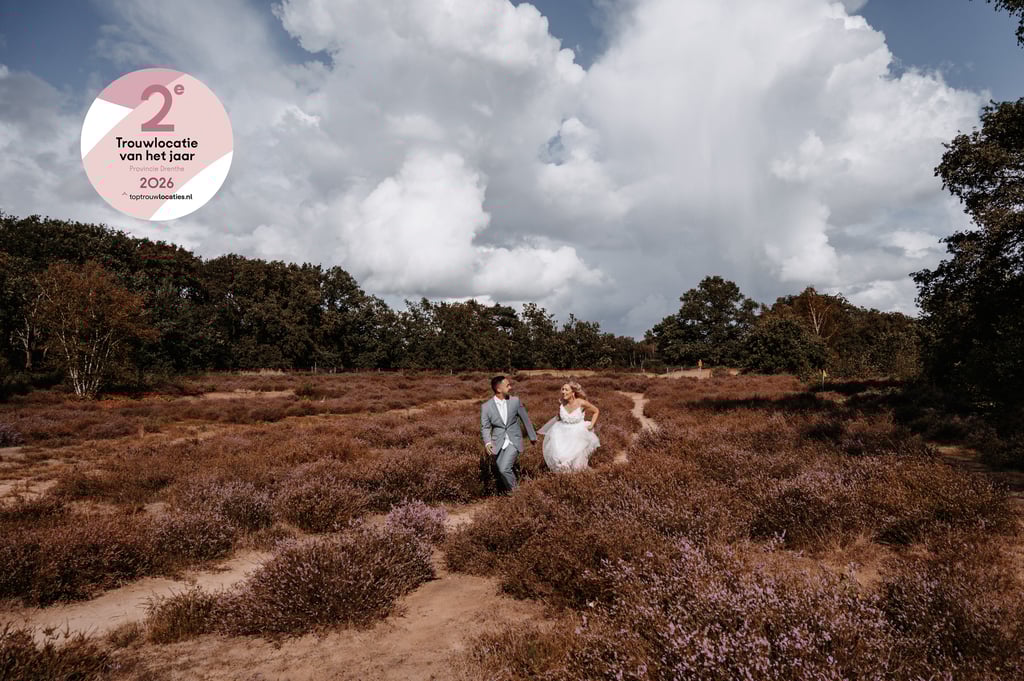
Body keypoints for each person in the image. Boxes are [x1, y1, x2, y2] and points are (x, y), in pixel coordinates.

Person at [480, 375, 537, 493]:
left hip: (513, 440)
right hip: (498, 443)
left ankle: (517, 494)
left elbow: (525, 419)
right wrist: (488, 443)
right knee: (502, 469)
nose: (510, 387)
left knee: (504, 468)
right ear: (498, 389)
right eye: (507, 385)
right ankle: (510, 493)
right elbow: (485, 427)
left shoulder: (515, 401)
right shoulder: (486, 407)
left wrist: (532, 437)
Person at [539, 381, 600, 472]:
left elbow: (596, 411)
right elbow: (559, 417)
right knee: (559, 459)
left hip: (578, 435)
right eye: (562, 389)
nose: (563, 392)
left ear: (573, 392)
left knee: (577, 464)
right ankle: (563, 481)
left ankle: (579, 481)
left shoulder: (581, 403)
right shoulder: (561, 402)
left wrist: (591, 425)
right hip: (561, 433)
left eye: (566, 390)